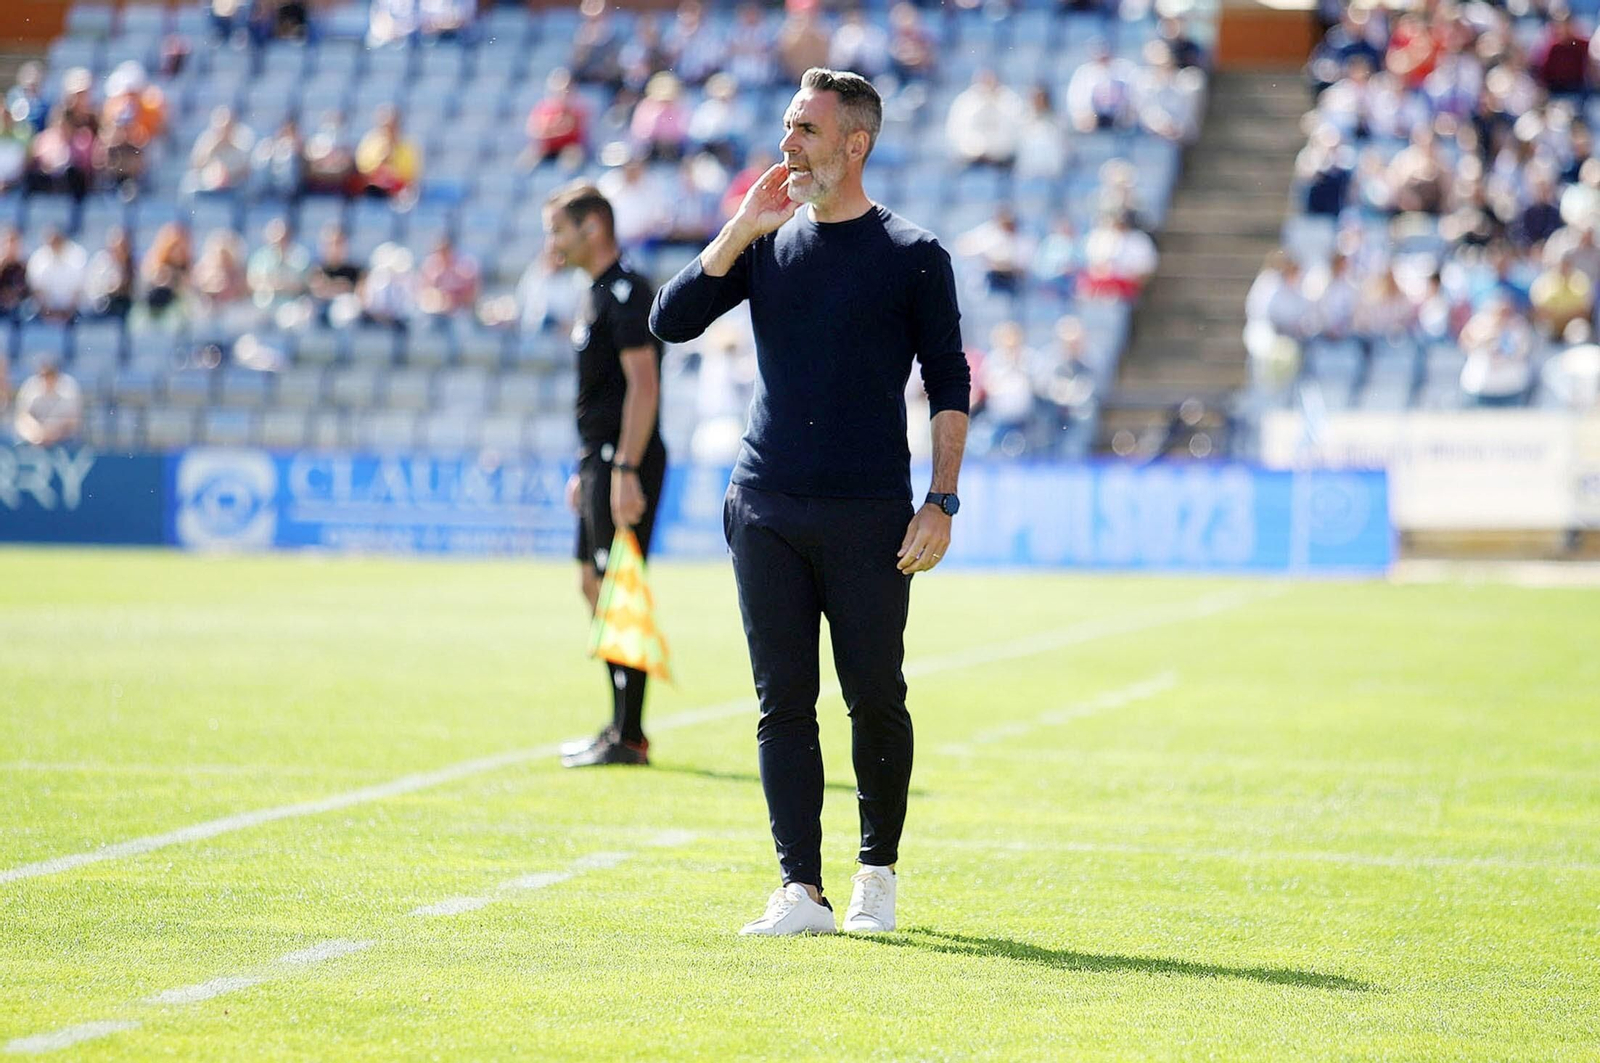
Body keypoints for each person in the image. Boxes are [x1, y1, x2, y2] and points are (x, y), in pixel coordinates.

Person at [650, 68, 970, 937]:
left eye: (806, 129)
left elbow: (949, 382)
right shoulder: (764, 241)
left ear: (854, 144)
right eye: (788, 126)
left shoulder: (913, 253)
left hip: (871, 512)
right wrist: (739, 227)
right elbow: (669, 321)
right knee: (782, 702)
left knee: (875, 696)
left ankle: (877, 875)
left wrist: (941, 499)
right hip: (765, 505)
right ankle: (801, 890)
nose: (787, 143)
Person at [542, 183, 667, 770]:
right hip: (601, 458)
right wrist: (587, 466)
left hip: (625, 458)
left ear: (592, 226)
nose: (553, 242)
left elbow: (644, 385)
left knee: (617, 588)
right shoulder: (594, 292)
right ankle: (619, 725)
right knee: (592, 584)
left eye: (559, 229)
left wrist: (624, 469)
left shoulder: (627, 291)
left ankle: (630, 735)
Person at [12, 356, 83, 446]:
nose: (47, 380)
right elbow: (22, 416)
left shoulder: (69, 386)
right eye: (44, 376)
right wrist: (38, 433)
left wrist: (53, 432)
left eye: (51, 376)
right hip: (35, 439)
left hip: (64, 440)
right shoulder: (30, 385)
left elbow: (74, 420)